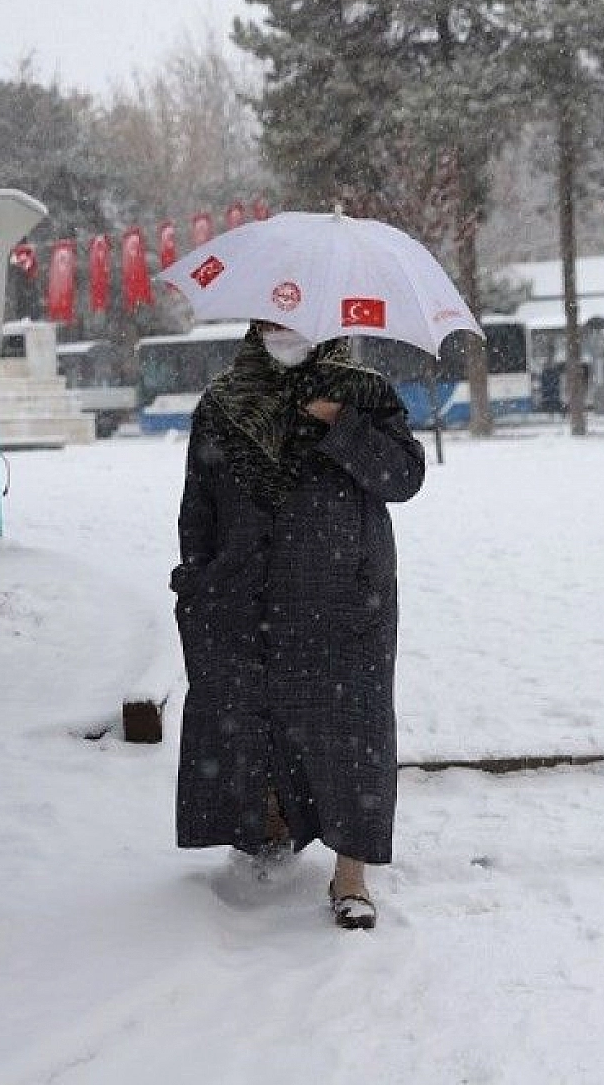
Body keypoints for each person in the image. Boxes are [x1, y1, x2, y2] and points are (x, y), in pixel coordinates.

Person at [172, 319, 425, 930]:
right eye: (271, 317)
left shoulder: (364, 392)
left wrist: (341, 422)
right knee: (253, 717)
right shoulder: (225, 401)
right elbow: (198, 500)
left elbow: (405, 478)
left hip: (344, 596)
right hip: (248, 592)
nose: (284, 330)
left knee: (352, 729)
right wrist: (198, 576)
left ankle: (352, 871)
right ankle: (270, 819)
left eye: (297, 318)